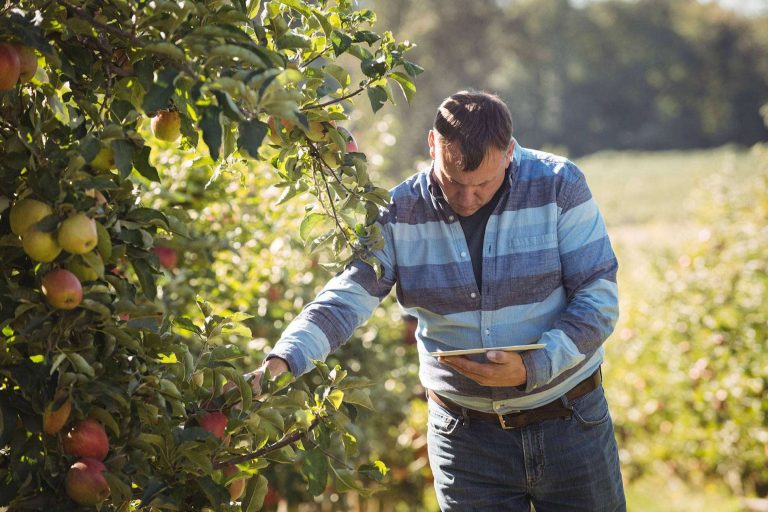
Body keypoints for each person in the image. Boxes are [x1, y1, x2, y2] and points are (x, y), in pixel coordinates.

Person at [249, 91, 626, 511]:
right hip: (467, 443)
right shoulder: (398, 213)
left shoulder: (558, 185)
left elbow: (598, 298)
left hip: (569, 424)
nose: (465, 199)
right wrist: (283, 360)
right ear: (432, 146)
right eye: (452, 181)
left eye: (481, 184)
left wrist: (531, 367)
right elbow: (345, 299)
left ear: (509, 152)